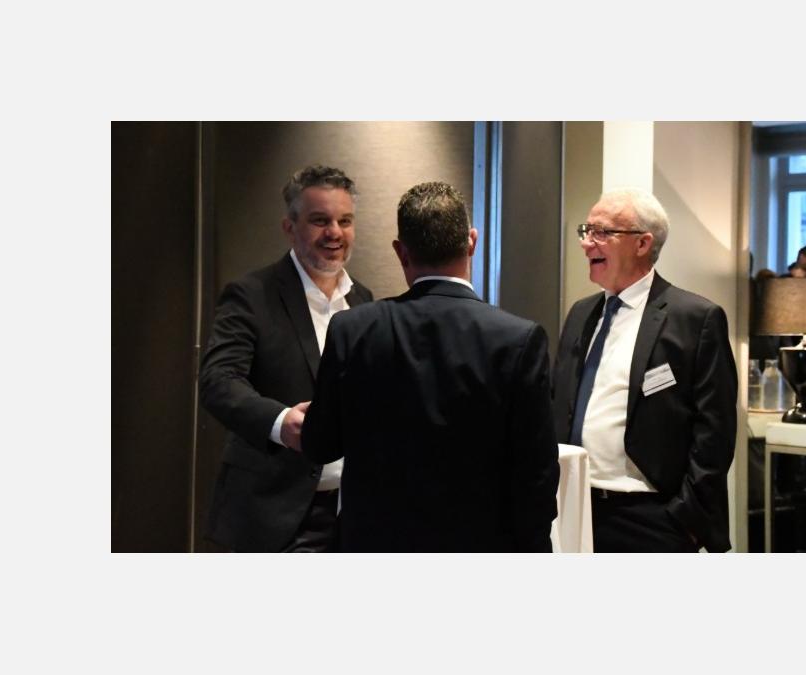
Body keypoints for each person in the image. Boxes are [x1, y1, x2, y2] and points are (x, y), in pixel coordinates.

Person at [299, 181, 559, 552]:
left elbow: (320, 444)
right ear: (471, 242)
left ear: (401, 252)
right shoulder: (518, 339)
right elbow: (537, 475)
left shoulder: (352, 329)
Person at [198, 165, 374, 552]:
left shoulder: (363, 300)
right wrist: (282, 423)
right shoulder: (250, 294)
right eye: (319, 220)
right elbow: (218, 381)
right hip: (271, 515)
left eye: (345, 221)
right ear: (289, 228)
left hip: (351, 514)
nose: (334, 232)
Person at [552, 188, 738, 552]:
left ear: (642, 243)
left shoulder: (695, 318)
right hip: (575, 507)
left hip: (650, 518)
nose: (587, 244)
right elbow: (558, 402)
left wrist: (684, 519)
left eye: (602, 232)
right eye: (586, 231)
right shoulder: (580, 314)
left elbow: (715, 432)